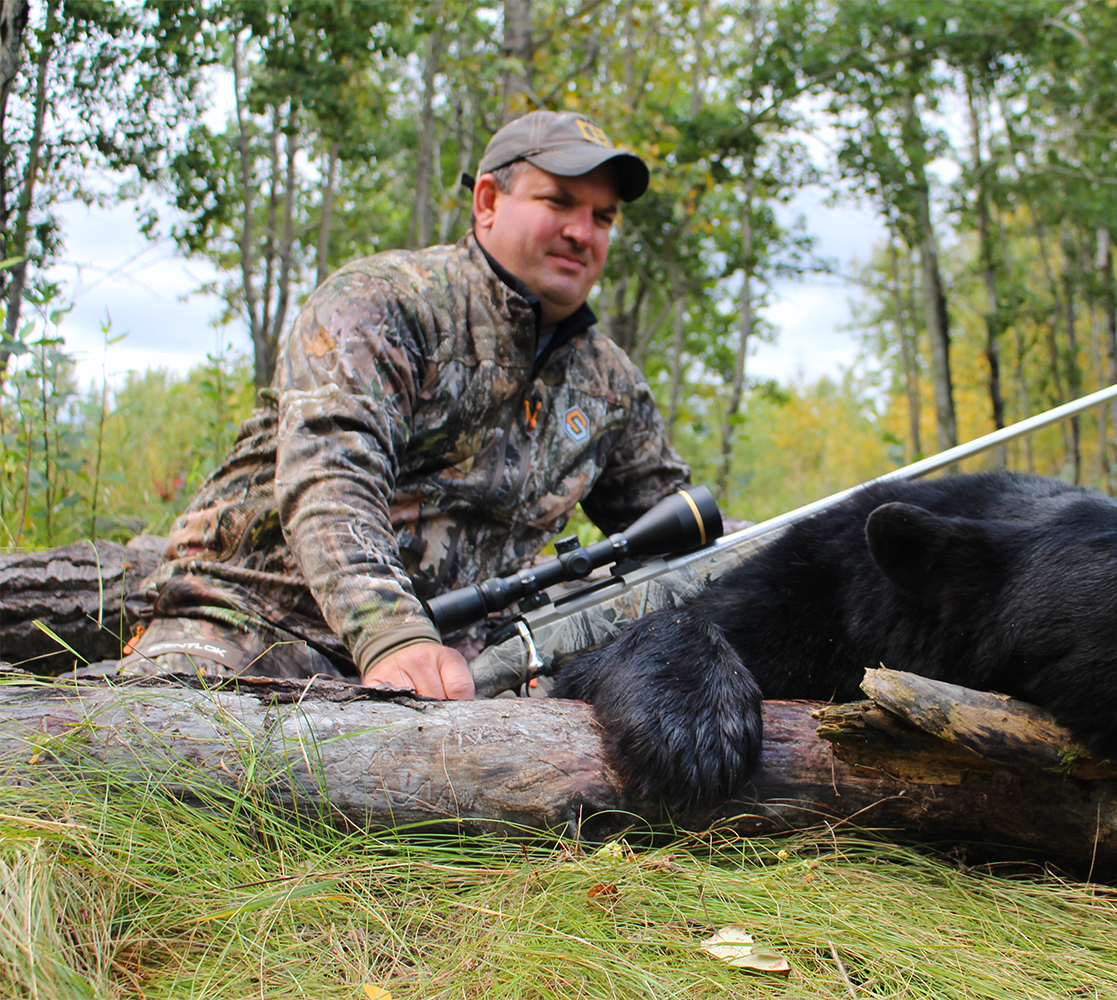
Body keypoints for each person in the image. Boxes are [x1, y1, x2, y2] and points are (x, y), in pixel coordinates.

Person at [116, 110, 691, 701]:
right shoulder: (386, 304)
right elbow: (331, 477)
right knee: (146, 753)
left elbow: (682, 527)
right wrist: (392, 634)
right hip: (256, 622)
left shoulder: (609, 385)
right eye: (559, 202)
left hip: (455, 668)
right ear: (488, 201)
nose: (583, 232)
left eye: (603, 217)